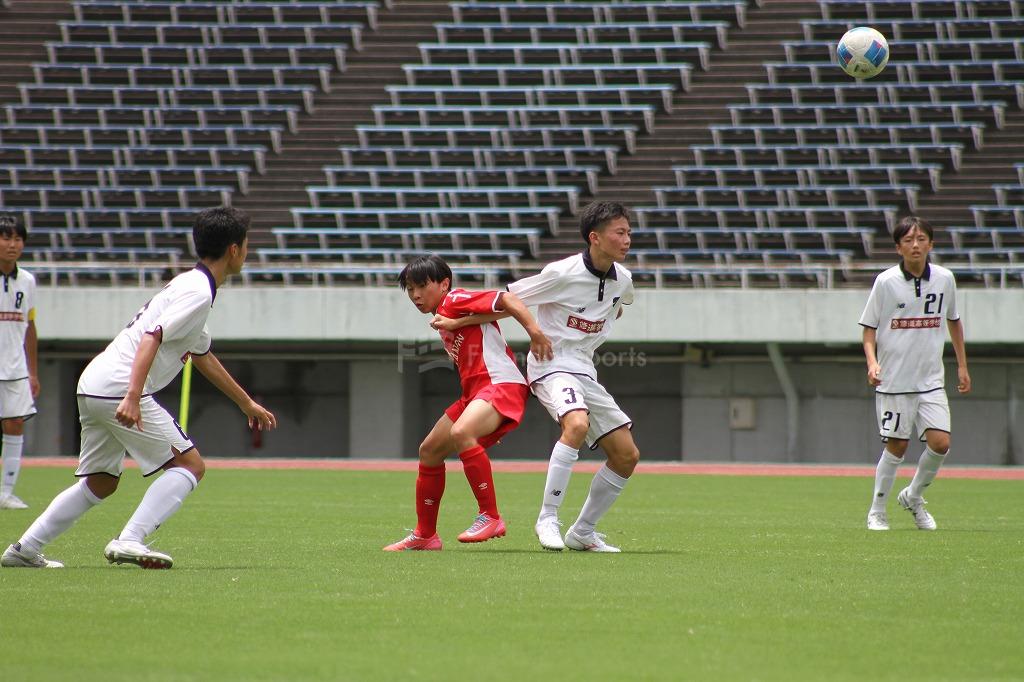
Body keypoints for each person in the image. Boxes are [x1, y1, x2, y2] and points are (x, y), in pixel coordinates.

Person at [1, 206, 276, 569]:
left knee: (101, 481)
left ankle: (23, 549)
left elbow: (202, 354)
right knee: (190, 465)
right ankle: (130, 540)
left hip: (94, 383)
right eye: (246, 245)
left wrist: (245, 403)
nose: (247, 252)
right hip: (119, 387)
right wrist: (132, 396)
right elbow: (151, 338)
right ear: (234, 250)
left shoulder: (189, 284)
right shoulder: (197, 293)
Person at [434, 201, 639, 552]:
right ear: (595, 238)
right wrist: (459, 321)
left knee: (626, 456)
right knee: (576, 424)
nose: (627, 240)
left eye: (629, 232)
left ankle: (583, 532)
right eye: (620, 233)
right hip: (551, 364)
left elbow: (617, 307)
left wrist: (599, 318)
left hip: (585, 369)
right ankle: (547, 518)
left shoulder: (624, 280)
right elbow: (509, 301)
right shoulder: (561, 273)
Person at [384, 255, 552, 551]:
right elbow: (495, 314)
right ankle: (425, 535)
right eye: (410, 289)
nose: (415, 295)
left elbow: (508, 300)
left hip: (499, 384)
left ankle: (491, 516)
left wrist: (535, 332)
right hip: (475, 394)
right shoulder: (445, 317)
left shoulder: (454, 299)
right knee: (430, 451)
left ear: (444, 284)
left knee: (462, 432)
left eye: (421, 286)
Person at [859, 215, 970, 531]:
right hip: (894, 381)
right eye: (908, 240)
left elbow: (953, 321)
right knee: (897, 446)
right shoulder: (886, 282)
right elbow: (868, 329)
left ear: (930, 244)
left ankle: (913, 496)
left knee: (941, 443)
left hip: (931, 380)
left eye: (921, 239)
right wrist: (872, 362)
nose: (915, 245)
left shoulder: (945, 279)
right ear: (898, 247)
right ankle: (877, 511)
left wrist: (962, 366)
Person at [0, 214, 40, 510]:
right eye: (6, 238)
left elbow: (30, 326)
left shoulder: (27, 280)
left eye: (17, 239)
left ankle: (6, 492)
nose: (12, 244)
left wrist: (33, 372)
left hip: (14, 368)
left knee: (14, 424)